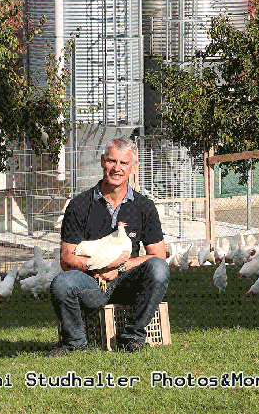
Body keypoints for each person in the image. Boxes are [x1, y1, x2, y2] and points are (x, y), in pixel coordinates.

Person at [45, 137, 170, 356]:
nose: (117, 168)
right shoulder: (79, 205)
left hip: (128, 283)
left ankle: (132, 337)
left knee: (159, 268)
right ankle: (74, 341)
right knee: (62, 283)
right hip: (91, 283)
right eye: (112, 161)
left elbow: (158, 255)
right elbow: (66, 258)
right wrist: (100, 268)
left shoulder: (144, 207)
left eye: (123, 163)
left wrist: (119, 267)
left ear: (133, 166)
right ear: (103, 161)